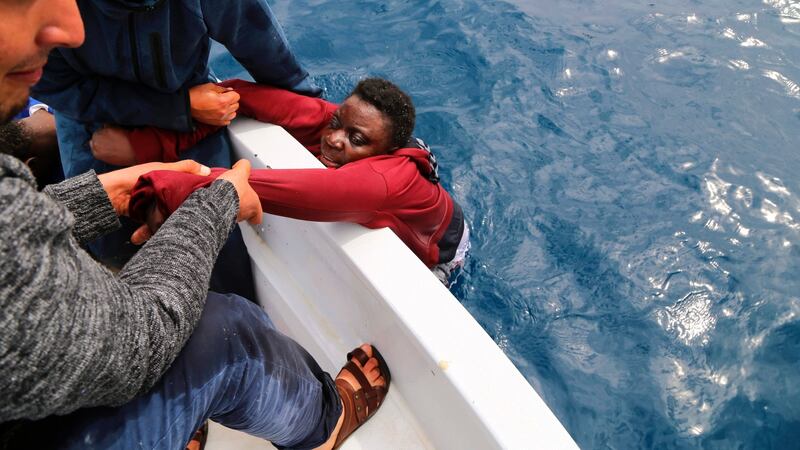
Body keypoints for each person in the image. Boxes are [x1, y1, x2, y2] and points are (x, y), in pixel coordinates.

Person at [0, 0, 389, 448]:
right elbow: (137, 342)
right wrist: (213, 200)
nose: (72, 28)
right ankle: (325, 425)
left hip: (186, 127)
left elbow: (263, 47)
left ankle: (185, 410)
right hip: (101, 130)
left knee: (222, 267)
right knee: (224, 328)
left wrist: (316, 118)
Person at [29, 0, 320, 277]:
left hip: (190, 119)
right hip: (94, 126)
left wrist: (318, 125)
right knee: (111, 249)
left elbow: (272, 60)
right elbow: (53, 84)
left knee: (219, 253)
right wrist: (176, 107)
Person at [92, 78, 471, 282]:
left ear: (384, 151)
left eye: (357, 140)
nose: (335, 138)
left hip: (441, 251)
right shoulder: (337, 123)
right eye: (339, 123)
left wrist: (150, 186)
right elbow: (238, 95)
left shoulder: (381, 181)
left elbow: (274, 190)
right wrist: (150, 143)